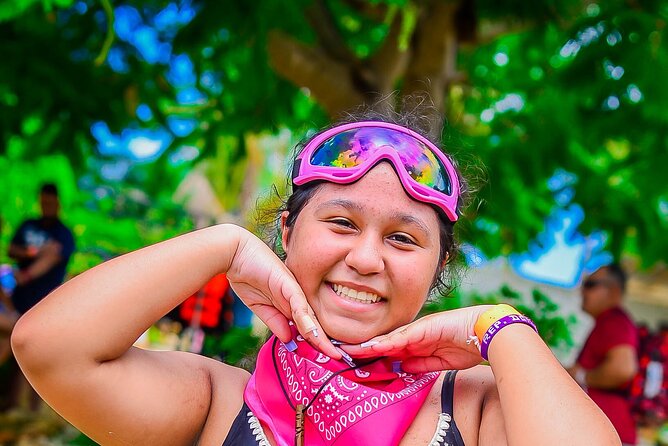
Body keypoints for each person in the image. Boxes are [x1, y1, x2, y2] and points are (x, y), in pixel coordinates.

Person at [11, 111, 620, 445]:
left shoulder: (477, 408)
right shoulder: (217, 402)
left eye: (404, 239)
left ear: (438, 272)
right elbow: (49, 348)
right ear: (287, 233)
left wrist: (502, 329)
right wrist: (225, 245)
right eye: (340, 222)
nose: (365, 259)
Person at [568, 264, 639, 445]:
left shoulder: (614, 321)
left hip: (609, 434)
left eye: (590, 284)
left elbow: (623, 369)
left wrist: (581, 375)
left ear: (613, 291)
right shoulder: (608, 321)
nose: (582, 291)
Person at [8, 183, 75, 315]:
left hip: (44, 302)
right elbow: (11, 250)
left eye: (50, 203)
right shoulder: (28, 224)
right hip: (18, 298)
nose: (46, 207)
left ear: (57, 203)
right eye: (44, 203)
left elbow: (55, 255)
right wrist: (35, 252)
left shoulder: (64, 233)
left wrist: (25, 275)